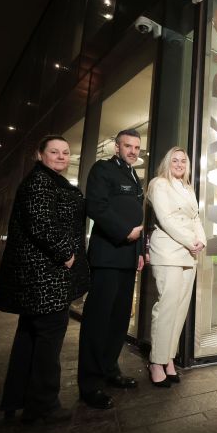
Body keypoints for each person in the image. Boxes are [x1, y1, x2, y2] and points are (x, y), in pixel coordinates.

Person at [0, 135, 90, 424]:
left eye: (65, 152)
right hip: (46, 277)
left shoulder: (49, 181)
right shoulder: (40, 182)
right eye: (54, 151)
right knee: (48, 338)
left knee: (29, 337)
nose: (61, 156)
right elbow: (41, 221)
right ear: (40, 154)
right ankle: (43, 405)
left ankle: (16, 399)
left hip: (40, 277)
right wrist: (66, 254)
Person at [77, 129, 145, 410]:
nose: (132, 151)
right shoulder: (102, 170)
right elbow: (96, 207)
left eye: (136, 147)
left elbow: (139, 217)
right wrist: (125, 233)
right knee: (98, 320)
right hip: (107, 256)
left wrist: (140, 251)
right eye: (127, 146)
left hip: (129, 258)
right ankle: (89, 384)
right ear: (116, 147)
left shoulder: (134, 176)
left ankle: (109, 369)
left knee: (118, 319)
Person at [146, 147, 206, 387]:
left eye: (183, 160)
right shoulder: (159, 184)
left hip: (189, 253)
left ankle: (168, 358)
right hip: (168, 251)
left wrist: (200, 241)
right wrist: (191, 242)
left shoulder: (188, 187)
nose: (180, 164)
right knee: (167, 307)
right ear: (167, 162)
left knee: (180, 309)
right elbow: (166, 219)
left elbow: (196, 218)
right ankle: (155, 361)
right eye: (175, 160)